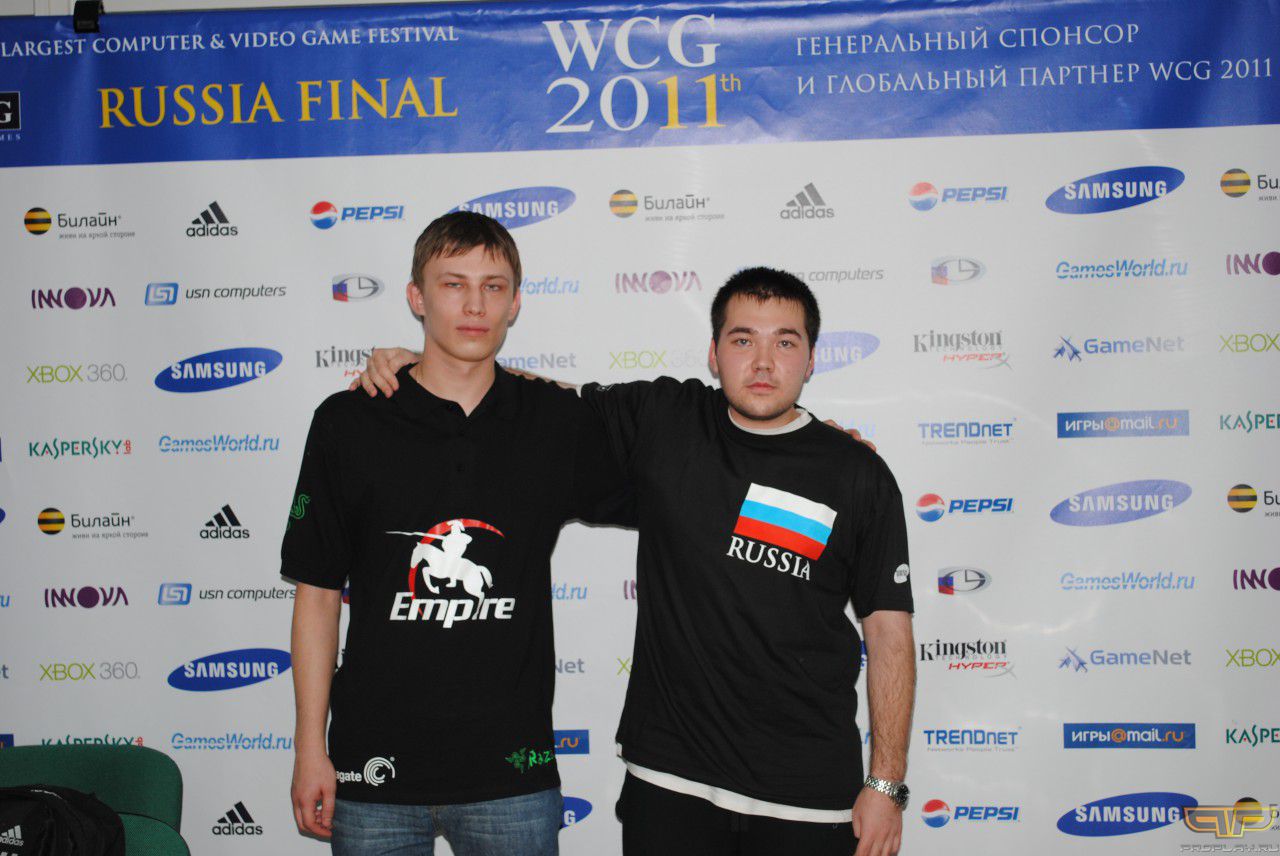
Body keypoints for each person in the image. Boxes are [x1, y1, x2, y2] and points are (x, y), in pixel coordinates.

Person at [359, 267, 916, 856]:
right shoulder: (666, 418)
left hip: (806, 797)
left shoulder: (857, 474)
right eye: (742, 339)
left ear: (811, 360)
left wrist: (885, 784)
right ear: (714, 353)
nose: (762, 362)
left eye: (785, 342)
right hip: (669, 785)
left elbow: (889, 635)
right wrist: (437, 364)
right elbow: (550, 400)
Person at [283, 211, 630, 855]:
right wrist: (310, 748)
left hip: (512, 776)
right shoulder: (347, 422)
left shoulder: (555, 423)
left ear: (515, 303)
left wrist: (800, 437)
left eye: (493, 287)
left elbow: (679, 472)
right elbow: (318, 594)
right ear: (416, 297)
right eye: (453, 285)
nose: (475, 305)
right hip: (372, 771)